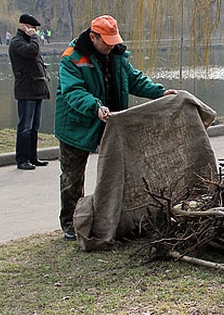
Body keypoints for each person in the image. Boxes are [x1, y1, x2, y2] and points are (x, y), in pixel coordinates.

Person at [54, 15, 177, 241]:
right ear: (93, 37)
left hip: (110, 121)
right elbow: (73, 92)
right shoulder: (71, 58)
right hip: (76, 126)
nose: (111, 46)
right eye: (106, 42)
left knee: (122, 169)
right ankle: (71, 223)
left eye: (114, 41)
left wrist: (159, 92)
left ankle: (121, 216)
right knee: (72, 178)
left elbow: (134, 80)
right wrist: (95, 107)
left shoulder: (117, 55)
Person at [8, 14, 51, 170]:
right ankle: (22, 159)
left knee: (34, 127)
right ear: (24, 26)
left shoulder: (29, 41)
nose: (35, 32)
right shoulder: (17, 43)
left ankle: (33, 157)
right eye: (33, 28)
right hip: (26, 90)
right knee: (25, 127)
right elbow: (33, 51)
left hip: (37, 88)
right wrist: (33, 36)